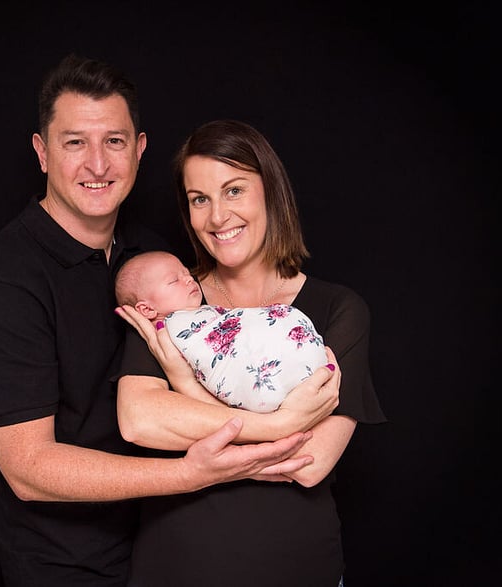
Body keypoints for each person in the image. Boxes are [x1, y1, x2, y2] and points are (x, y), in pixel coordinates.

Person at [0, 55, 341, 587]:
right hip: (69, 570)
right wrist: (195, 469)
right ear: (41, 153)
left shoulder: (153, 260)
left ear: (140, 149)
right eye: (74, 142)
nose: (98, 165)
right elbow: (29, 471)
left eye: (113, 141)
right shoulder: (2, 290)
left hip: (162, 555)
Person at [115, 119, 387, 587]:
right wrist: (280, 425)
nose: (218, 216)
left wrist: (183, 387)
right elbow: (139, 421)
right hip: (176, 570)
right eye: (200, 199)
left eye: (234, 190)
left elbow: (309, 462)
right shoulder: (169, 307)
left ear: (270, 192)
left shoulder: (339, 309)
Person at [114, 250, 331, 412]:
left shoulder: (199, 313)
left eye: (186, 273)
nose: (189, 278)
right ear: (147, 309)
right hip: (255, 384)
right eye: (173, 280)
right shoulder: (170, 328)